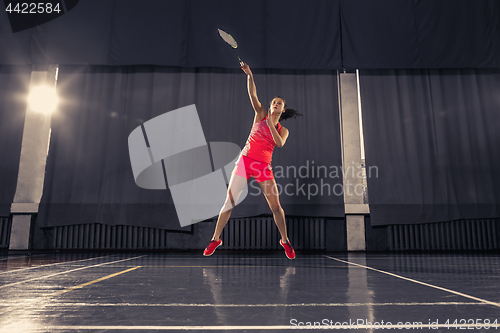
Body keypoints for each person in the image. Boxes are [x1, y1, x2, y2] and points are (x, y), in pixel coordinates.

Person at [203, 63, 302, 259]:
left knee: (276, 207)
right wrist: (250, 75)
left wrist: (272, 122)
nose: (274, 104)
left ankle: (285, 240)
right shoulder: (260, 114)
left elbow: (279, 144)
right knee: (229, 202)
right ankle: (216, 239)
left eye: (279, 103)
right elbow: (253, 95)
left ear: (283, 109)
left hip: (263, 167)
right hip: (245, 162)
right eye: (273, 102)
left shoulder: (283, 130)